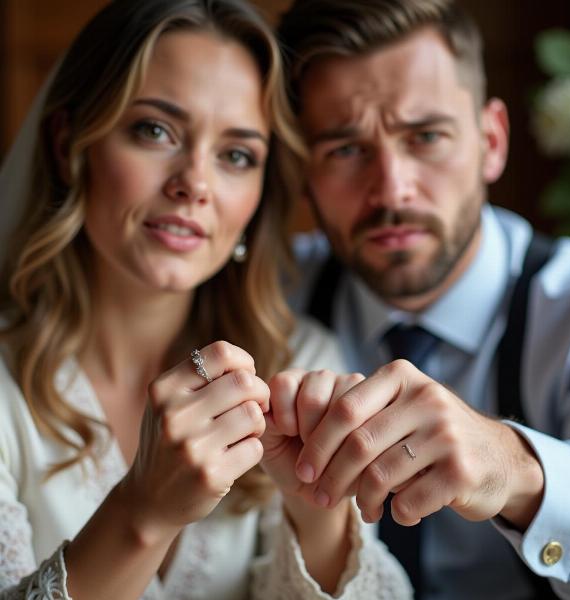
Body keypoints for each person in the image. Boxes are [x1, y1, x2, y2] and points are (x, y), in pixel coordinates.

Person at [0, 0, 414, 598]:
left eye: (236, 155)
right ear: (70, 143)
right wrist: (143, 514)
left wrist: (319, 509)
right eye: (155, 130)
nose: (194, 183)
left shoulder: (303, 357)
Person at [277, 1, 570, 599]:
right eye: (346, 150)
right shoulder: (270, 298)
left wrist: (517, 469)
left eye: (425, 137)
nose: (391, 189)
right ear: (304, 172)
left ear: (492, 141)